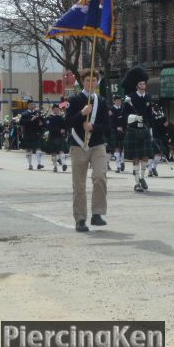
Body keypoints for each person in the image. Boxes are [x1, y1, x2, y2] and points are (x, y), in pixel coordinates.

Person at [65, 68, 110, 232]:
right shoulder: (74, 100)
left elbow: (107, 125)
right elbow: (68, 122)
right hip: (78, 145)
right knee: (79, 184)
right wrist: (81, 114)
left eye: (94, 80)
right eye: (87, 80)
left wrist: (93, 127)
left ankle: (97, 214)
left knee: (100, 177)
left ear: (97, 82)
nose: (91, 83)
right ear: (82, 82)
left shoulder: (102, 101)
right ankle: (80, 219)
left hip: (97, 144)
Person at [122, 67, 154, 193]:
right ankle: (137, 182)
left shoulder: (148, 97)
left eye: (144, 83)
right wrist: (134, 117)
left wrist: (151, 129)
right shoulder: (130, 98)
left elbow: (150, 115)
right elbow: (124, 115)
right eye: (140, 84)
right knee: (135, 157)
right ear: (137, 85)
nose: (143, 85)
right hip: (133, 129)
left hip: (145, 128)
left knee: (145, 156)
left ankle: (141, 177)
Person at [19, 99, 45, 170]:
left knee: (38, 148)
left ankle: (39, 164)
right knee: (28, 149)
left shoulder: (38, 113)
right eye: (31, 104)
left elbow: (43, 122)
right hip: (28, 133)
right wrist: (31, 120)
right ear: (28, 105)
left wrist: (42, 123)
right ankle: (30, 164)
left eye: (34, 104)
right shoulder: (24, 114)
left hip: (36, 133)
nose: (33, 105)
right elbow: (21, 123)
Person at [44, 104, 68, 172]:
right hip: (52, 136)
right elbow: (49, 128)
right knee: (53, 152)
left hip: (60, 137)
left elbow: (65, 126)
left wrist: (64, 130)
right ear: (53, 110)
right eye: (55, 110)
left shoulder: (60, 118)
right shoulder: (49, 118)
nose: (57, 111)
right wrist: (59, 130)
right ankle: (55, 166)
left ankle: (64, 164)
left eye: (58, 110)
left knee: (62, 150)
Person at [148, 104, 168, 177]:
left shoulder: (158, 115)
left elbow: (165, 124)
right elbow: (166, 124)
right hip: (154, 136)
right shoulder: (161, 115)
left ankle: (153, 169)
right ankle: (151, 169)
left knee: (157, 154)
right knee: (152, 154)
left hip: (157, 136)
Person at [109, 95, 127, 173]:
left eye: (120, 100)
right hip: (114, 131)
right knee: (116, 148)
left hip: (123, 130)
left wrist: (123, 127)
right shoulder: (111, 110)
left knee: (122, 147)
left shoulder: (123, 109)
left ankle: (122, 162)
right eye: (117, 100)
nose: (119, 102)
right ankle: (118, 166)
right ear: (114, 101)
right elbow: (110, 121)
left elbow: (125, 119)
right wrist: (116, 128)